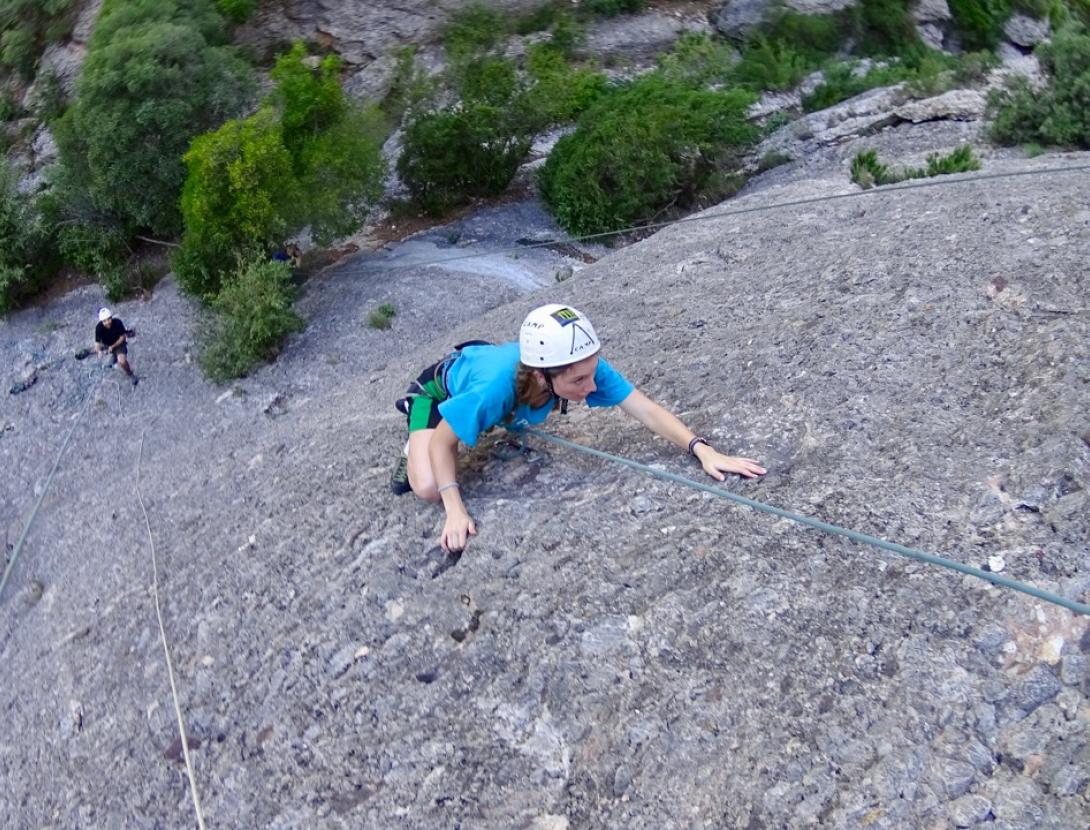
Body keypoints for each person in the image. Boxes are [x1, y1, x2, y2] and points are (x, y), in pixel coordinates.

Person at [391, 304, 765, 553]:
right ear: (541, 374)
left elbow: (644, 409)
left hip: (498, 379)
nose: (591, 388)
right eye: (579, 381)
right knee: (426, 486)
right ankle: (412, 440)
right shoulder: (495, 388)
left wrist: (702, 449)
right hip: (439, 391)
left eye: (591, 374)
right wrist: (454, 509)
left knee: (498, 414)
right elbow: (443, 443)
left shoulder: (580, 366)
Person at [94, 307, 138, 386]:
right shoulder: (98, 328)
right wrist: (98, 351)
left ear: (111, 317)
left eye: (108, 319)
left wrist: (113, 346)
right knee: (100, 348)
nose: (107, 322)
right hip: (107, 344)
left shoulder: (117, 323)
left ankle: (130, 374)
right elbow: (97, 342)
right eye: (104, 321)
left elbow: (122, 337)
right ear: (101, 321)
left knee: (122, 362)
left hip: (119, 344)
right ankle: (114, 357)